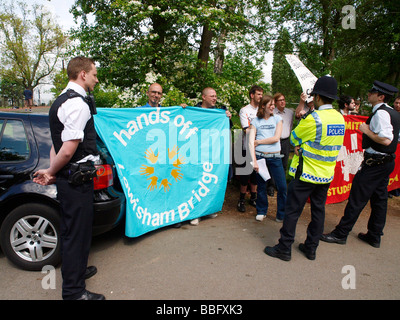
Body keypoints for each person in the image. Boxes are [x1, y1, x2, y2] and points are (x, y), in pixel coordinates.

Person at [33, 56, 105, 300]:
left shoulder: (62, 100)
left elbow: (57, 144)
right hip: (76, 180)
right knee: (76, 233)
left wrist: (54, 171)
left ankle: (77, 271)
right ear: (82, 74)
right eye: (94, 74)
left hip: (70, 177)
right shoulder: (78, 104)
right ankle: (74, 292)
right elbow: (67, 149)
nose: (96, 78)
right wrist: (53, 171)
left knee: (75, 230)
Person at [264, 76, 345, 261]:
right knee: (318, 211)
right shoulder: (340, 118)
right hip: (326, 174)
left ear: (317, 97)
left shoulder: (314, 118)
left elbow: (293, 139)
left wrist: (302, 145)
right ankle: (311, 248)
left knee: (292, 210)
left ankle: (284, 248)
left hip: (307, 173)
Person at [321, 81, 400, 248]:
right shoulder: (393, 113)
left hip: (375, 163)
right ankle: (374, 235)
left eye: (373, 92)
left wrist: (366, 131)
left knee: (357, 197)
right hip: (385, 162)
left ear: (381, 96)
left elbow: (386, 139)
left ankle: (341, 233)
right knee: (380, 200)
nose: (369, 93)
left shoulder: (381, 114)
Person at [190, 87, 232, 225]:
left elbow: (227, 128)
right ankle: (195, 214)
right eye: (212, 96)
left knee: (212, 181)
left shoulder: (220, 112)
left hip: (215, 153)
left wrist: (228, 118)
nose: (215, 98)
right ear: (203, 97)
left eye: (215, 96)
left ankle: (208, 210)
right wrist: (183, 109)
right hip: (196, 152)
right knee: (197, 182)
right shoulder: (193, 111)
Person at [248, 95, 287, 222]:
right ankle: (261, 211)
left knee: (282, 187)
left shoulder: (277, 119)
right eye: (270, 104)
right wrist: (254, 160)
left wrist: (259, 142)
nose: (273, 107)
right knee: (261, 186)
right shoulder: (255, 121)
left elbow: (276, 138)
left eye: (273, 104)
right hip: (260, 158)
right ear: (263, 106)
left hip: (275, 158)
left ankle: (281, 214)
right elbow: (250, 142)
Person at [237, 85, 264, 212]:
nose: (261, 96)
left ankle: (253, 197)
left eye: (261, 94)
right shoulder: (245, 110)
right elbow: (246, 130)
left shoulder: (262, 110)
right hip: (246, 146)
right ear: (252, 95)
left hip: (259, 147)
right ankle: (241, 200)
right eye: (258, 94)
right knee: (244, 175)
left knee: (255, 175)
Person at [273, 92, 294, 171]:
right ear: (275, 102)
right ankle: (272, 183)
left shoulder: (290, 113)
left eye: (283, 100)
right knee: (275, 163)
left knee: (284, 163)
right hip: (275, 141)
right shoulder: (272, 113)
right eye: (280, 100)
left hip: (286, 141)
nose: (282, 102)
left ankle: (282, 181)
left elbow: (290, 125)